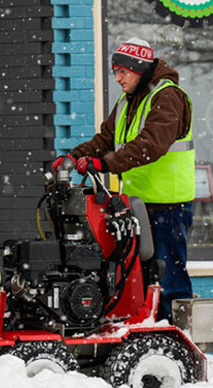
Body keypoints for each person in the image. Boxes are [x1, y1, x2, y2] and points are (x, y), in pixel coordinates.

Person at [53, 38, 195, 322]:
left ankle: (178, 335)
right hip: (136, 205)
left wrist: (105, 163)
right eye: (115, 72)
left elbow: (151, 144)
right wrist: (74, 156)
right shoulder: (126, 102)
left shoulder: (168, 97)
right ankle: (146, 331)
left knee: (169, 279)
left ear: (139, 69)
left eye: (122, 72)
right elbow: (105, 139)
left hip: (168, 206)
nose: (117, 78)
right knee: (138, 278)